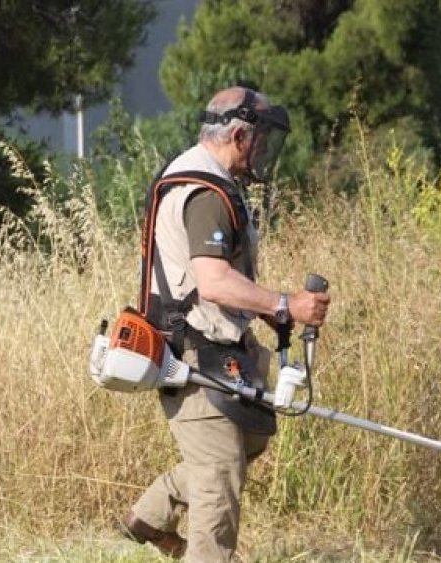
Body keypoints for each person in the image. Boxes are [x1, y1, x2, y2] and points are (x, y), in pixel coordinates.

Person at [119, 86, 330, 562]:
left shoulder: (200, 176)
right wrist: (285, 304)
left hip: (216, 347)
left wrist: (267, 308)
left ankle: (151, 515)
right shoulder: (206, 192)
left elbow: (211, 281)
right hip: (196, 354)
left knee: (248, 440)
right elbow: (213, 283)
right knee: (218, 483)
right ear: (238, 135)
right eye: (261, 141)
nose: (264, 152)